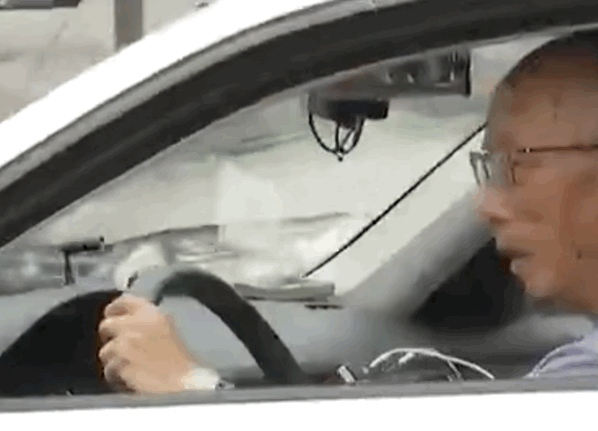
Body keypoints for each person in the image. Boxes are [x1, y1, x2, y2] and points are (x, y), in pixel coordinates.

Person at [98, 31, 598, 394]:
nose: (486, 205)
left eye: (512, 166)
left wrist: (192, 390)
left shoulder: (576, 383)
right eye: (485, 169)